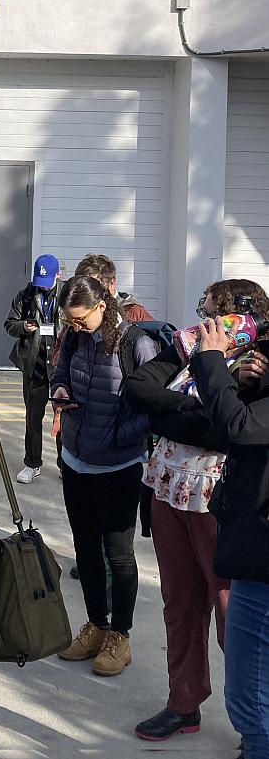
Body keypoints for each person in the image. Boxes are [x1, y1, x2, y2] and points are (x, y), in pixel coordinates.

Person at [126, 279, 269, 742]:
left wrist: (187, 412)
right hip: (169, 488)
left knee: (233, 610)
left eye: (208, 308)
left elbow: (232, 430)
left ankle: (256, 720)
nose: (200, 317)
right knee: (180, 600)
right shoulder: (193, 346)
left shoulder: (257, 362)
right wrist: (195, 403)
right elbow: (140, 391)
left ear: (234, 316)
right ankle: (183, 702)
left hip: (214, 497)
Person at [51, 275, 158, 676]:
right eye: (69, 321)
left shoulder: (136, 343)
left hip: (117, 466)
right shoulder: (75, 337)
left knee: (119, 554)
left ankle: (121, 635)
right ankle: (96, 624)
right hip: (76, 460)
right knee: (85, 547)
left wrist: (117, 438)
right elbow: (59, 372)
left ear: (101, 306)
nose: (74, 327)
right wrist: (60, 392)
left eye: (80, 320)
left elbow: (154, 405)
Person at [186, 317, 269, 759]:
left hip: (261, 557)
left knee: (249, 692)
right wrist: (252, 384)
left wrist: (213, 360)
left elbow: (239, 428)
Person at [4, 253, 61, 483]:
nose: (43, 288)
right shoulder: (25, 295)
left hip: (60, 366)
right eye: (40, 282)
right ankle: (32, 463)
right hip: (34, 363)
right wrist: (23, 327)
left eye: (47, 282)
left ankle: (64, 464)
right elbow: (9, 324)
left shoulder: (68, 294)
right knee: (33, 417)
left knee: (63, 419)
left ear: (59, 275)